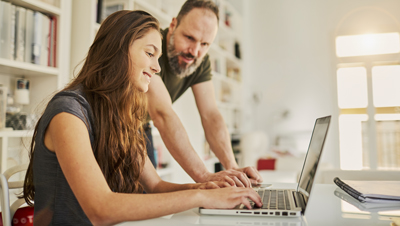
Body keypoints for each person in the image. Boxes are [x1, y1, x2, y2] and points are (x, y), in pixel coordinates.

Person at [22, 10, 261, 225]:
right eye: (149, 53)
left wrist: (207, 186)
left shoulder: (123, 115)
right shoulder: (68, 112)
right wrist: (201, 195)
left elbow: (155, 186)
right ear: (118, 49)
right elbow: (100, 209)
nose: (157, 68)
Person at [146, 0, 263, 187]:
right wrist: (204, 176)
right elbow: (162, 114)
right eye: (189, 38)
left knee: (144, 199)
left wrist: (232, 167)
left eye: (205, 44)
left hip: (139, 126)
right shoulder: (151, 47)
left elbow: (211, 115)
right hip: (103, 119)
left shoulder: (201, 61)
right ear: (173, 25)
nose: (194, 51)